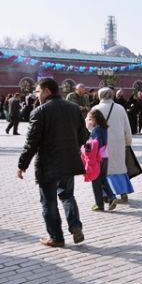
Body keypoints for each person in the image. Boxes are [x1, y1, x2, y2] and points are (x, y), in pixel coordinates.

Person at [17, 78, 89, 247]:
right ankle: (75, 226)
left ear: (47, 91)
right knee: (67, 195)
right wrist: (72, 146)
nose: (36, 95)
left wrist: (22, 165)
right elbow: (84, 135)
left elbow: (31, 143)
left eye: (37, 91)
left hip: (48, 164)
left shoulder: (39, 112)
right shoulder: (73, 109)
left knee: (48, 201)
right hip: (69, 161)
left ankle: (56, 237)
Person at [91, 87, 134, 203]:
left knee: (104, 170)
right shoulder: (120, 108)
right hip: (119, 142)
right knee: (119, 167)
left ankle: (106, 194)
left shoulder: (96, 108)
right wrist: (128, 141)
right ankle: (123, 192)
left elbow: (89, 125)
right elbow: (127, 126)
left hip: (102, 144)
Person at [85, 109, 118, 212]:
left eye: (90, 119)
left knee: (95, 180)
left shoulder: (96, 130)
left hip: (97, 157)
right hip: (105, 156)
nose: (89, 121)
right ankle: (112, 197)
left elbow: (96, 143)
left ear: (95, 119)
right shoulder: (104, 128)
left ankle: (99, 205)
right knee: (103, 179)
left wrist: (87, 145)